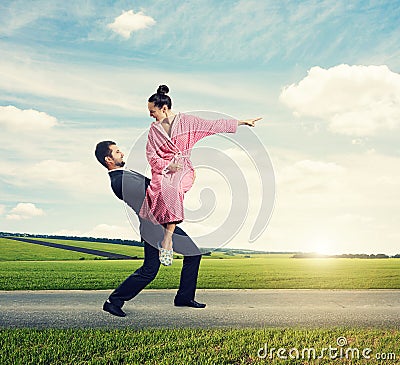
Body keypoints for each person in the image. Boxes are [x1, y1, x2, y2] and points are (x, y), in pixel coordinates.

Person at [140, 84, 261, 266]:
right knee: (158, 190)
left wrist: (242, 122)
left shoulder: (188, 122)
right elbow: (150, 154)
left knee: (173, 189)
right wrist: (167, 165)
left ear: (164, 108)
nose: (150, 115)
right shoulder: (153, 131)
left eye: (152, 111)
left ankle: (167, 241)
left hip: (183, 169)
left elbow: (212, 125)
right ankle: (160, 235)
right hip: (162, 170)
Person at [95, 140, 206, 317]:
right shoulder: (120, 181)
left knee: (193, 254)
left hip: (161, 223)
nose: (122, 153)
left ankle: (184, 297)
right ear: (108, 159)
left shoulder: (125, 175)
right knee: (149, 271)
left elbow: (155, 186)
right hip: (154, 228)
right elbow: (156, 196)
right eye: (117, 152)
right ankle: (113, 301)